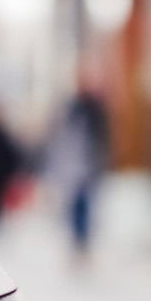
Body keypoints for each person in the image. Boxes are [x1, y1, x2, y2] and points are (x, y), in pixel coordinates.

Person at [51, 61, 110, 264]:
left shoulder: (95, 108)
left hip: (89, 165)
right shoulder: (72, 106)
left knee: (86, 205)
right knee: (75, 206)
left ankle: (83, 243)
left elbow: (103, 138)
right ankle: (77, 242)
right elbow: (62, 137)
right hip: (73, 166)